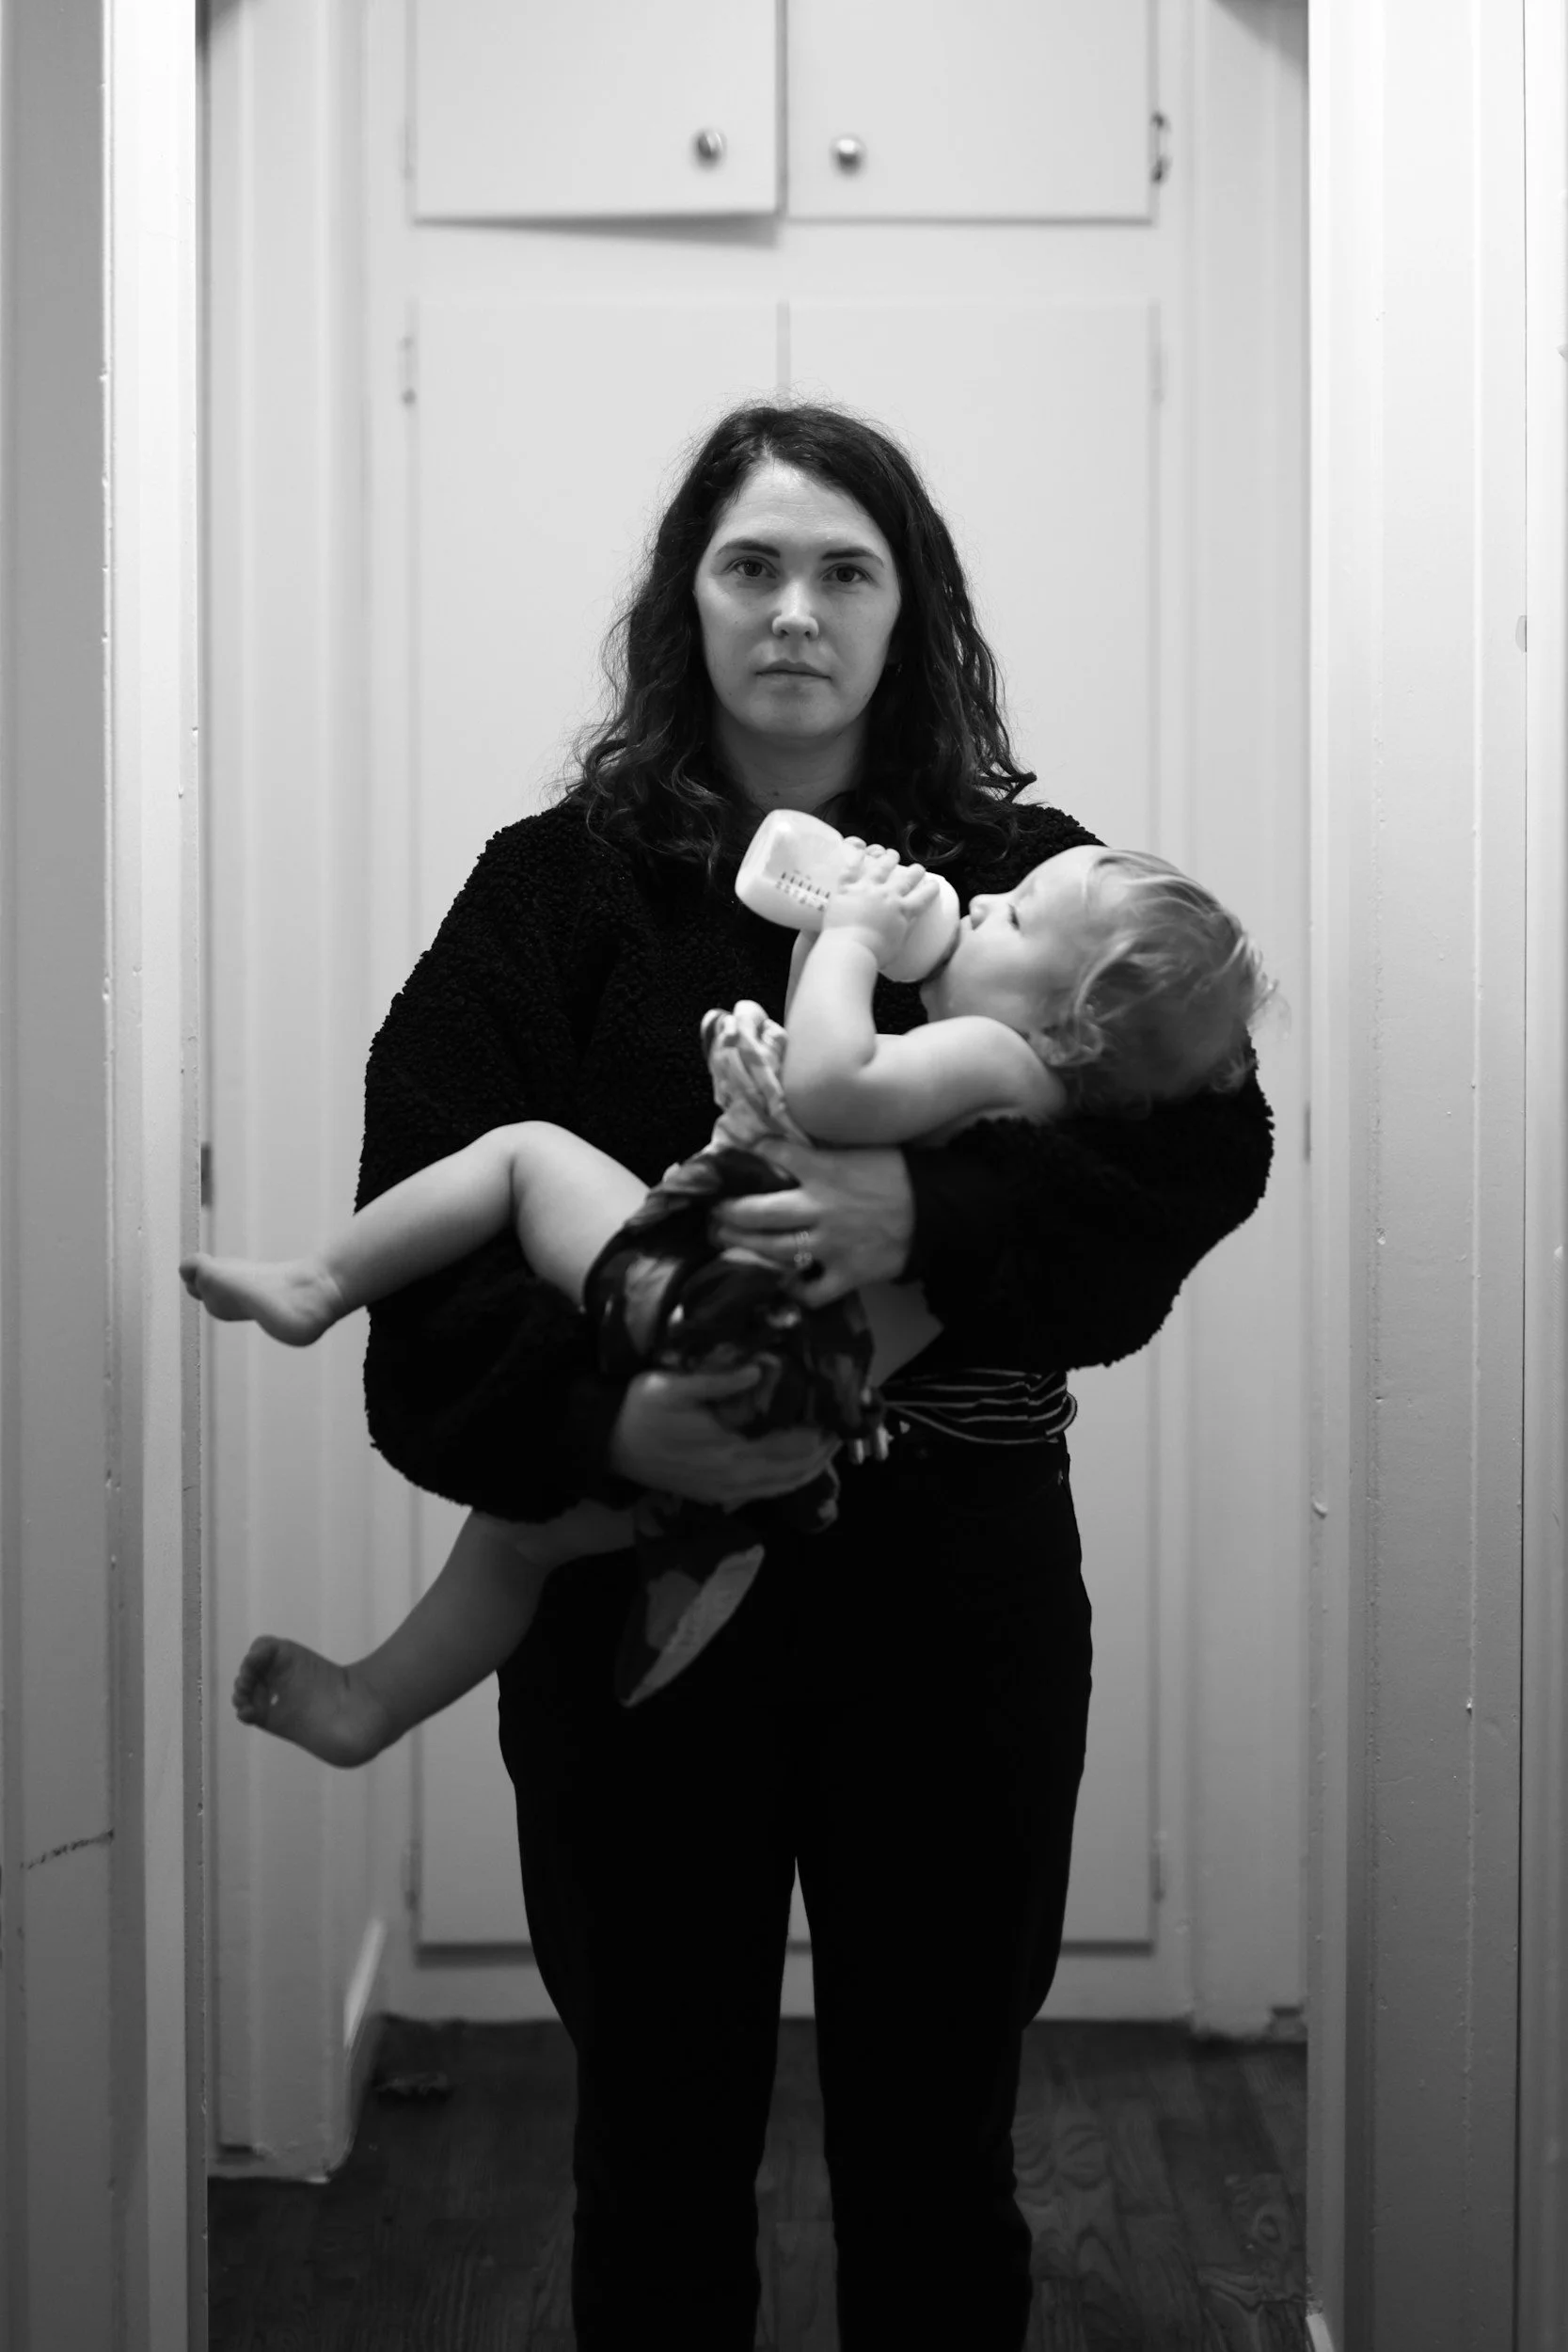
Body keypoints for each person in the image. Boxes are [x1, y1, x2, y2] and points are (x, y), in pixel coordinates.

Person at [343, 403, 1274, 2350]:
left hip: (954, 1601)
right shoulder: (552, 892)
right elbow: (416, 1199)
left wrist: (919, 1228)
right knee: (654, 2143)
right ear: (683, 603)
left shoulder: (1035, 883)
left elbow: (1205, 1147)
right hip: (624, 1592)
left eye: (842, 567)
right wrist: (600, 1417)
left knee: (935, 2145)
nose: (792, 610)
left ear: (906, 604)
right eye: (747, 565)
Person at [183, 839, 1267, 1754]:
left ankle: (316, 1283)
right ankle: (369, 1701)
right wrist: (817, 946)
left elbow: (828, 1086)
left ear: (1067, 1024)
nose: (982, 900)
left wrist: (849, 937)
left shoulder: (990, 1052)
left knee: (524, 1158)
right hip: (782, 1408)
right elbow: (835, 1076)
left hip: (714, 1306)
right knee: (524, 1538)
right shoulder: (1030, 1095)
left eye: (1016, 917)